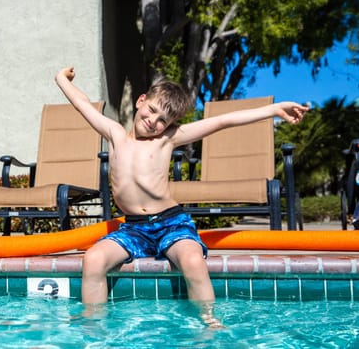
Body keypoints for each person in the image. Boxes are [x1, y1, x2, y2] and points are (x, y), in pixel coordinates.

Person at [55, 67, 308, 326]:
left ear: (170, 125)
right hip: (133, 229)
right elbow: (82, 104)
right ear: (141, 101)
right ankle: (93, 323)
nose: (153, 121)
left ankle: (209, 322)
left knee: (191, 260)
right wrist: (62, 79)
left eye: (163, 119)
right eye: (152, 110)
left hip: (170, 224)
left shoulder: (167, 139)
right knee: (94, 259)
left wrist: (274, 110)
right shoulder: (115, 134)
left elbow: (223, 121)